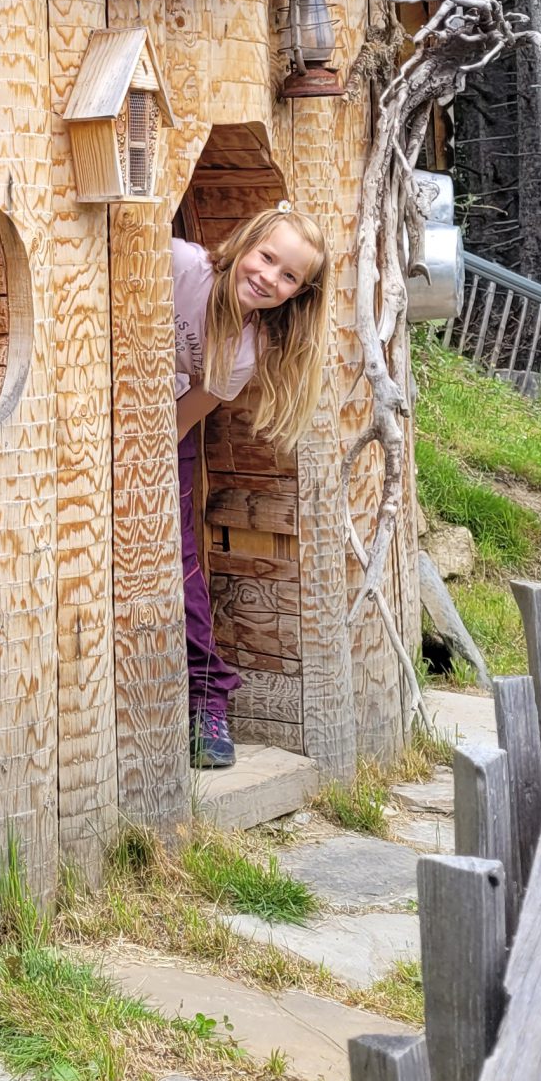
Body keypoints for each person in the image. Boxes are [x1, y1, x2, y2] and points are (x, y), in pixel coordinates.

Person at [172, 205, 329, 769]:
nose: (268, 277)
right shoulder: (179, 265)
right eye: (266, 258)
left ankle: (206, 699)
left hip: (161, 429)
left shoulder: (245, 350)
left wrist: (140, 461)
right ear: (243, 243)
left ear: (296, 295)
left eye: (289, 277)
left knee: (179, 561)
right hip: (94, 397)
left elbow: (184, 417)